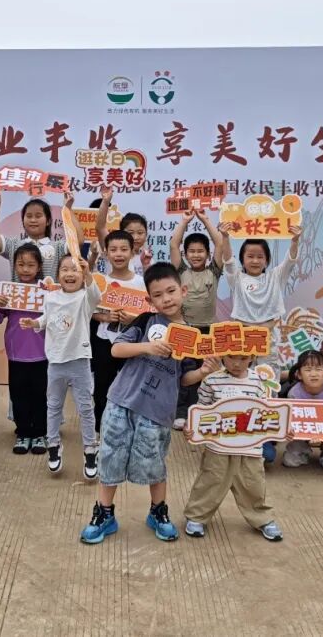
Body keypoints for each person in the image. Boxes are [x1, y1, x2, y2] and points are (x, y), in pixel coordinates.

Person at [80, 262, 199, 545]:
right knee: (110, 457)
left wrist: (205, 371)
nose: (166, 298)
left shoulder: (193, 336)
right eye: (158, 295)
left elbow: (186, 378)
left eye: (171, 291)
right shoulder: (145, 321)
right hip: (121, 401)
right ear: (149, 300)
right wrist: (148, 346)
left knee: (154, 461)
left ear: (183, 291)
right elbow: (116, 349)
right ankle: (104, 513)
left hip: (157, 412)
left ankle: (158, 512)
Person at [219, 221, 302, 463]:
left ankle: (265, 438)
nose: (255, 260)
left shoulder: (275, 277)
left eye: (260, 256)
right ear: (243, 259)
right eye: (250, 256)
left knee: (267, 386)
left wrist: (295, 240)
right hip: (241, 340)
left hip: (268, 342)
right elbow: (227, 260)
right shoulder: (237, 278)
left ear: (266, 260)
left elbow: (290, 261)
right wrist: (225, 237)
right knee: (238, 383)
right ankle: (237, 434)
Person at [179, 353, 284, 541]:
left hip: (250, 447)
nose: (236, 363)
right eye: (231, 357)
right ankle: (197, 516)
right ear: (222, 356)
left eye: (243, 359)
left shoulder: (258, 382)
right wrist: (191, 427)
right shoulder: (211, 380)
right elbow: (201, 409)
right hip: (218, 446)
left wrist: (283, 430)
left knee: (253, 484)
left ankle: (262, 518)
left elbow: (266, 413)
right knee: (210, 481)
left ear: (252, 357)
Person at [21, 254, 102, 477]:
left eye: (75, 270)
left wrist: (89, 272)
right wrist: (34, 322)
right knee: (53, 406)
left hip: (79, 361)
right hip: (55, 362)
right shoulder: (51, 297)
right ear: (58, 274)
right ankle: (54, 445)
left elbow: (96, 296)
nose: (70, 274)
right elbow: (45, 319)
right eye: (65, 269)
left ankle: (90, 448)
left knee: (85, 408)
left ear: (82, 275)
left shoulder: (85, 297)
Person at [0, 243, 49, 455]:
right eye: (21, 264)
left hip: (42, 354)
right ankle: (23, 433)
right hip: (16, 355)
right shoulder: (9, 292)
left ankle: (39, 433)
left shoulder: (47, 293)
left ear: (39, 267)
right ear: (14, 266)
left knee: (40, 395)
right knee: (19, 395)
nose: (25, 269)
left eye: (31, 265)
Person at [169, 208, 224, 430]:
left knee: (206, 371)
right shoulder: (181, 270)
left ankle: (201, 412)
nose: (196, 255)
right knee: (184, 372)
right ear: (186, 254)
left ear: (208, 254)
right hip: (185, 329)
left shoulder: (214, 271)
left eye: (201, 251)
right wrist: (185, 221)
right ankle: (181, 412)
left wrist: (205, 219)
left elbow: (220, 243)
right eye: (191, 251)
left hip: (208, 330)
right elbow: (174, 245)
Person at [89, 230, 144, 434]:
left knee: (131, 384)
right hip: (104, 340)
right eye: (113, 249)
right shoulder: (100, 282)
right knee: (102, 384)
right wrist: (105, 317)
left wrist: (133, 320)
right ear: (106, 253)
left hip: (131, 343)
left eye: (123, 249)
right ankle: (100, 428)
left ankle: (129, 426)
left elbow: (148, 315)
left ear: (132, 252)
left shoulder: (140, 282)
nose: (118, 254)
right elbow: (90, 311)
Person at [0, 186, 85, 279]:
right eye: (29, 216)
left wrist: (68, 209)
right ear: (23, 220)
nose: (33, 220)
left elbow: (78, 241)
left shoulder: (58, 247)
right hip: (18, 293)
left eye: (38, 216)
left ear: (48, 221)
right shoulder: (13, 245)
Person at [94, 186, 151, 275]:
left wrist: (146, 265)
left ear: (146, 233)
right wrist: (106, 202)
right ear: (122, 232)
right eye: (130, 233)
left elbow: (150, 281)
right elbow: (100, 227)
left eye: (140, 233)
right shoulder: (112, 247)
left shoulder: (146, 257)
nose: (135, 237)